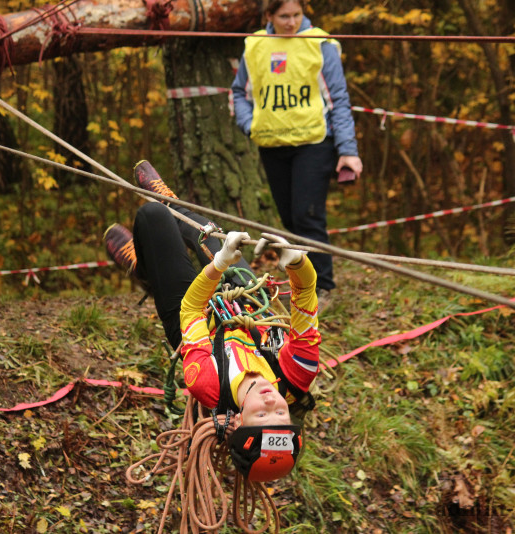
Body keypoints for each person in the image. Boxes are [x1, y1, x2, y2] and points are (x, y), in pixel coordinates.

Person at [106, 160, 322, 481]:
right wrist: (297, 263)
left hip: (193, 321)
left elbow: (192, 309)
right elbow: (305, 295)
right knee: (215, 236)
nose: (271, 401)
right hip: (247, 306)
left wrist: (219, 265)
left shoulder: (208, 385)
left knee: (152, 217)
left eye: (262, 415)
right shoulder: (297, 374)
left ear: (238, 421)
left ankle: (147, 267)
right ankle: (172, 206)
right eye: (280, 412)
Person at [231, 0, 363, 302]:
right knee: (290, 221)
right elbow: (240, 92)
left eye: (296, 15)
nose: (291, 22)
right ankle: (303, 284)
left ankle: (323, 288)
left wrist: (348, 149)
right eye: (283, 16)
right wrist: (249, 125)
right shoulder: (255, 46)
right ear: (269, 15)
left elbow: (338, 99)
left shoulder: (320, 43)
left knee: (307, 217)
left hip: (314, 143)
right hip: (272, 144)